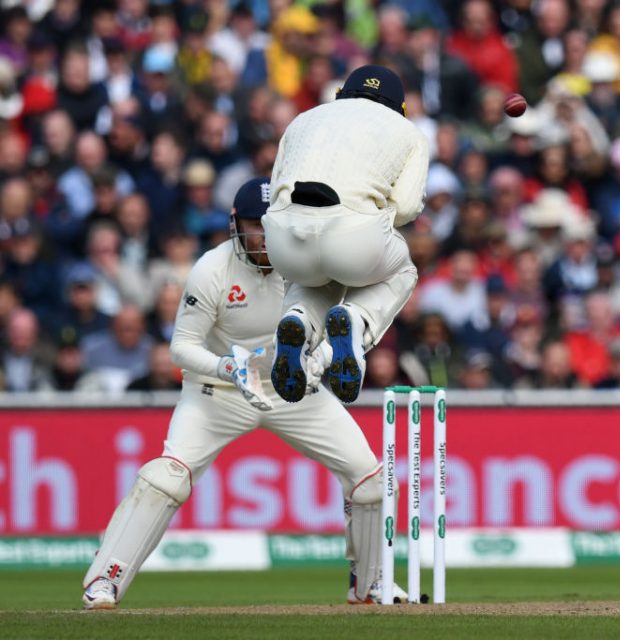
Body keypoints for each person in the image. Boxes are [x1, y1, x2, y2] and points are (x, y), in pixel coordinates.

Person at [82, 178, 395, 609]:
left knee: (369, 482)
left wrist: (319, 358)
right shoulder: (212, 269)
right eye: (255, 225)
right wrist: (226, 366)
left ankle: (370, 586)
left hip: (293, 387)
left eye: (271, 225)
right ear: (235, 223)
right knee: (167, 476)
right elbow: (180, 347)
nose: (264, 236)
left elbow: (340, 319)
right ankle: (104, 580)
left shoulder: (310, 262)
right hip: (218, 392)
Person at [263, 64, 428, 404]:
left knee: (318, 273)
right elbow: (408, 206)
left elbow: (276, 185)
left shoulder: (304, 118)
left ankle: (298, 321)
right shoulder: (408, 131)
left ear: (340, 95)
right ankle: (357, 319)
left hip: (283, 239)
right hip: (354, 237)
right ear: (400, 108)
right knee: (402, 270)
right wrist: (368, 219)